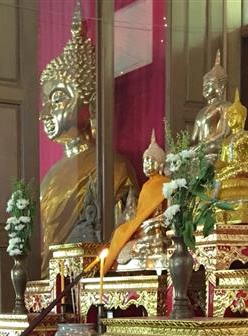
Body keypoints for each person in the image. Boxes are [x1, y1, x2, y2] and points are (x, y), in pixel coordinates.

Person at [39, 1, 138, 277]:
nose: (45, 113)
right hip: (52, 284)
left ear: (90, 104)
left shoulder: (114, 168)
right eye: (46, 102)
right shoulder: (51, 176)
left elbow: (123, 233)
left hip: (94, 281)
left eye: (58, 99)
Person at [103, 130, 169, 274]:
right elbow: (141, 214)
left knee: (149, 241)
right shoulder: (146, 186)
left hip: (155, 228)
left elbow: (168, 213)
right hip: (143, 227)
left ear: (160, 164)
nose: (146, 164)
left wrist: (152, 223)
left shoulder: (166, 184)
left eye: (150, 160)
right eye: (145, 160)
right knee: (120, 232)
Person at [191, 49, 231, 163]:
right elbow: (193, 139)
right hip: (201, 149)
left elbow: (223, 133)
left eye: (208, 83)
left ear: (220, 86)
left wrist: (203, 145)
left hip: (213, 147)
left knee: (215, 147)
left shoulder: (225, 107)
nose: (205, 87)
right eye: (204, 84)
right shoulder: (201, 112)